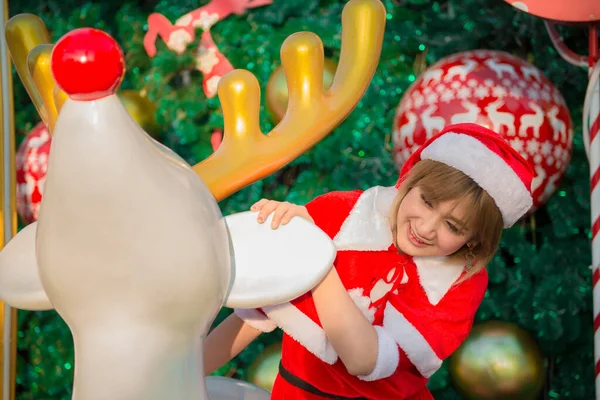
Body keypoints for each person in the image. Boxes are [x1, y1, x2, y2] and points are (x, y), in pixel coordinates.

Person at [203, 123, 534, 399]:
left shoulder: (456, 286)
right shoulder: (347, 214)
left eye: (453, 226)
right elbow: (255, 313)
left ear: (473, 239)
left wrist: (313, 257)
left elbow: (363, 359)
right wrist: (177, 377)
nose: (426, 227)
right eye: (427, 201)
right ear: (410, 179)